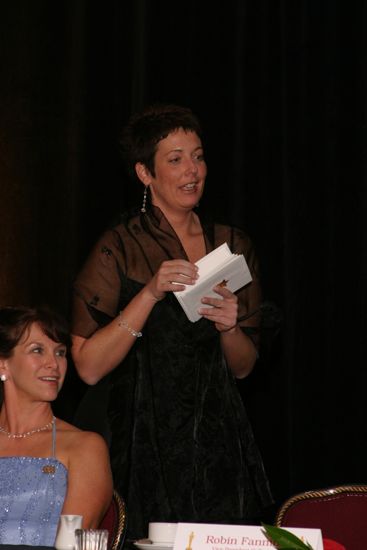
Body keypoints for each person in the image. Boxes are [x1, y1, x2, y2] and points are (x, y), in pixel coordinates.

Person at [71, 103, 273, 540]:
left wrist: (229, 327)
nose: (192, 170)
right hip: (143, 439)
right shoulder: (120, 246)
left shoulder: (233, 244)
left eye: (198, 156)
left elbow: (243, 367)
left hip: (217, 441)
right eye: (176, 159)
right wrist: (148, 294)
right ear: (145, 173)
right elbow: (87, 367)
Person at [0, 306, 113, 547]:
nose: (54, 363)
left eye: (60, 353)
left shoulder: (84, 446)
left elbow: (74, 544)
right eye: (37, 350)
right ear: (3, 365)